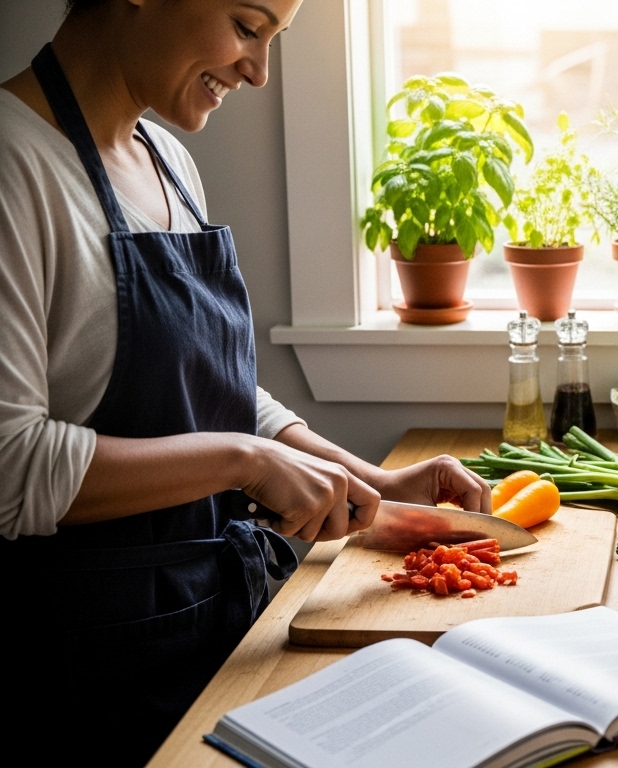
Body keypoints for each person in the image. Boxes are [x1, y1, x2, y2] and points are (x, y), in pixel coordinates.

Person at [0, 1, 492, 762]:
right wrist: (247, 462)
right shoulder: (12, 163)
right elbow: (11, 467)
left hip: (213, 625)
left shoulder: (167, 159)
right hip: (88, 669)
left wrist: (374, 481)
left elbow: (217, 391)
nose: (258, 71)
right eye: (247, 25)